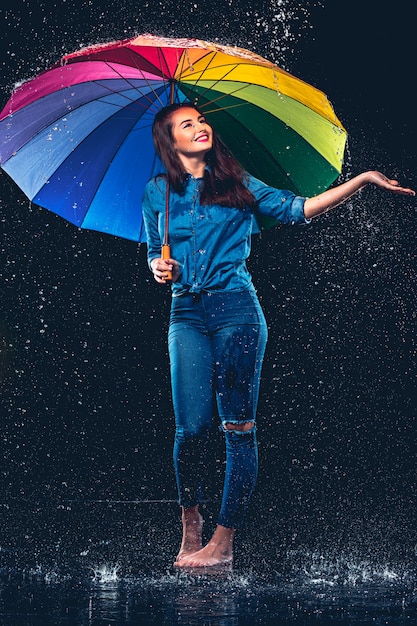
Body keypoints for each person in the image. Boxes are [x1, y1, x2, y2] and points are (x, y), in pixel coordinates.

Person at [141, 103, 414, 569]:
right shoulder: (157, 193)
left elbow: (299, 208)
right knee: (190, 429)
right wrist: (158, 266)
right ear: (169, 141)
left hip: (237, 312)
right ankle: (191, 520)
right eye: (187, 123)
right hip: (185, 312)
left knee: (237, 429)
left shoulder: (238, 183)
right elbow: (152, 250)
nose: (201, 126)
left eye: (203, 120)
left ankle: (223, 544)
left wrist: (362, 179)